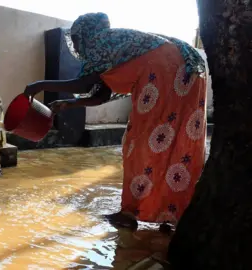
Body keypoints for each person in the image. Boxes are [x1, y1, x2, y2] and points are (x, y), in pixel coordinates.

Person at [24, 13, 207, 229]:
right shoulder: (118, 47)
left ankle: (129, 213)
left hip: (165, 70)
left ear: (85, 33)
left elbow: (83, 85)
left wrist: (39, 86)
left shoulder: (100, 41)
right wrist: (69, 105)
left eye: (75, 39)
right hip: (190, 72)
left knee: (138, 143)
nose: (75, 45)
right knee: (176, 142)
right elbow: (100, 95)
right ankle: (171, 213)